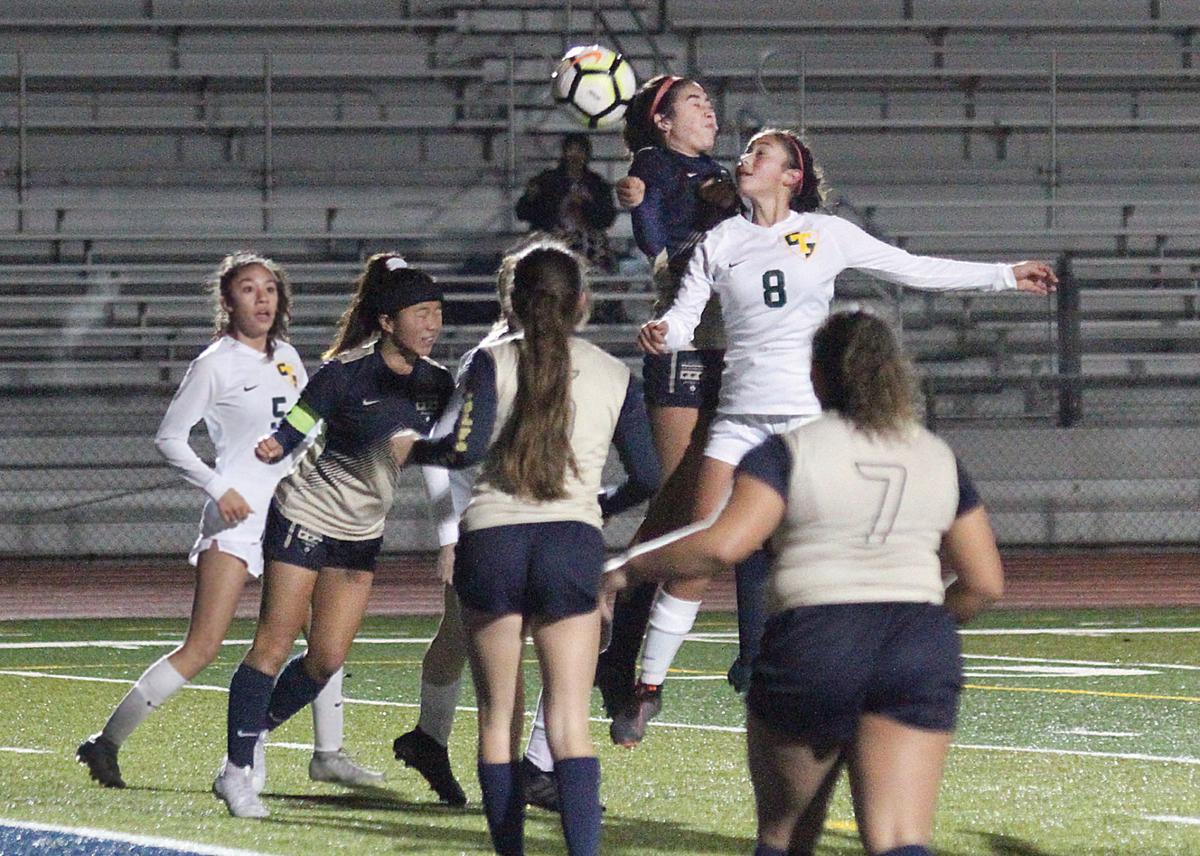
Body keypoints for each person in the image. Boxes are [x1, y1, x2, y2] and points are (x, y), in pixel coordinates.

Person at [617, 127, 1056, 746]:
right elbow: (685, 317)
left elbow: (911, 268)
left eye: (760, 154)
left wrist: (1005, 276)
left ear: (791, 176)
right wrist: (664, 331)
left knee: (817, 553)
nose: (746, 160)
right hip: (740, 419)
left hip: (805, 422)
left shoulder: (827, 234)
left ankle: (830, 670)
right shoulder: (723, 239)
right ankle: (648, 689)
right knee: (702, 551)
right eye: (747, 153)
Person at [605, 309, 1005, 856]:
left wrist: (629, 566)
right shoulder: (937, 456)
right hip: (916, 640)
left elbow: (724, 545)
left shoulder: (787, 452)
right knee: (899, 838)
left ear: (815, 376)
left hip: (819, 636)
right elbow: (983, 583)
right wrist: (923, 618)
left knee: (786, 834)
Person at [393, 238, 660, 855]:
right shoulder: (615, 373)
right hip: (571, 543)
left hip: (493, 541)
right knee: (569, 723)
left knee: (497, 724)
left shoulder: (489, 361)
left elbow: (464, 448)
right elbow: (649, 477)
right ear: (583, 303)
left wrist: (412, 447)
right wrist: (594, 509)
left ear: (513, 300)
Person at [75, 251, 379, 790]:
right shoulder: (214, 363)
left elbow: (308, 427)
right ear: (227, 301)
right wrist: (221, 488)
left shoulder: (287, 355)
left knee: (323, 644)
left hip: (293, 516)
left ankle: (327, 753)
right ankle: (106, 743)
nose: (262, 299)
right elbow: (169, 438)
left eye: (269, 289)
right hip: (236, 523)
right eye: (248, 289)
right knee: (203, 646)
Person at [212, 254, 457, 818]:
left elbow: (453, 451)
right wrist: (278, 443)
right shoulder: (346, 372)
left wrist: (454, 529)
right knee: (272, 647)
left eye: (437, 313)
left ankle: (255, 730)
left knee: (325, 661)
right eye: (420, 313)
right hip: (304, 517)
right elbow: (302, 417)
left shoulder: (436, 384)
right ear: (389, 321)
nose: (431, 324)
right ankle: (237, 770)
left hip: (361, 534)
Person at [515, 132, 618, 281]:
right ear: (564, 152)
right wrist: (530, 198)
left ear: (587, 155)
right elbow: (523, 213)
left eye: (580, 151)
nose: (575, 155)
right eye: (571, 150)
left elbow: (607, 218)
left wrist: (584, 205)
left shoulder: (597, 184)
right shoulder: (546, 181)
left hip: (588, 244)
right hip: (552, 241)